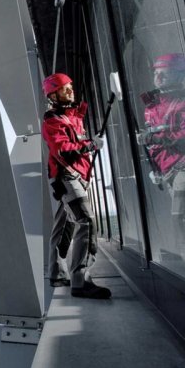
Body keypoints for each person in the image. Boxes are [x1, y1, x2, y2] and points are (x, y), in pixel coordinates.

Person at [41, 73, 111, 299]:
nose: (70, 91)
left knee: (64, 227)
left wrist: (88, 144)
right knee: (86, 220)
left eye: (70, 86)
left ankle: (58, 274)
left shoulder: (72, 118)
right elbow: (63, 150)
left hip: (77, 177)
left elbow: (77, 142)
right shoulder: (53, 121)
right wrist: (90, 145)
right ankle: (80, 280)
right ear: (53, 95)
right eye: (64, 88)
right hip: (66, 177)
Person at [137, 53, 185, 261]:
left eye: (165, 73)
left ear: (179, 75)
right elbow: (151, 144)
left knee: (182, 218)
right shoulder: (151, 107)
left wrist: (155, 138)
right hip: (167, 170)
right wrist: (154, 169)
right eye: (156, 73)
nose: (159, 78)